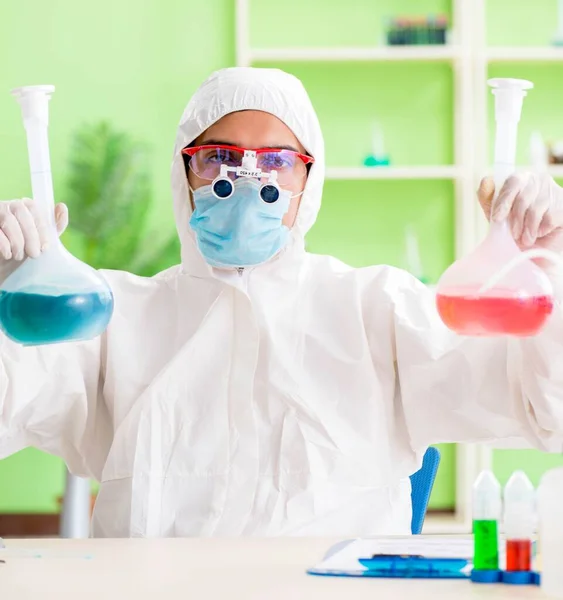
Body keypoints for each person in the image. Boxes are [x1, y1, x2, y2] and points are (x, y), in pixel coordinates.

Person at [1, 67, 563, 538]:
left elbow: (547, 413)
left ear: (308, 181)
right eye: (218, 157)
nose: (245, 182)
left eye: (275, 162)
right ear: (185, 172)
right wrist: (6, 290)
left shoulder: (376, 308)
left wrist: (547, 265)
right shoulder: (113, 315)